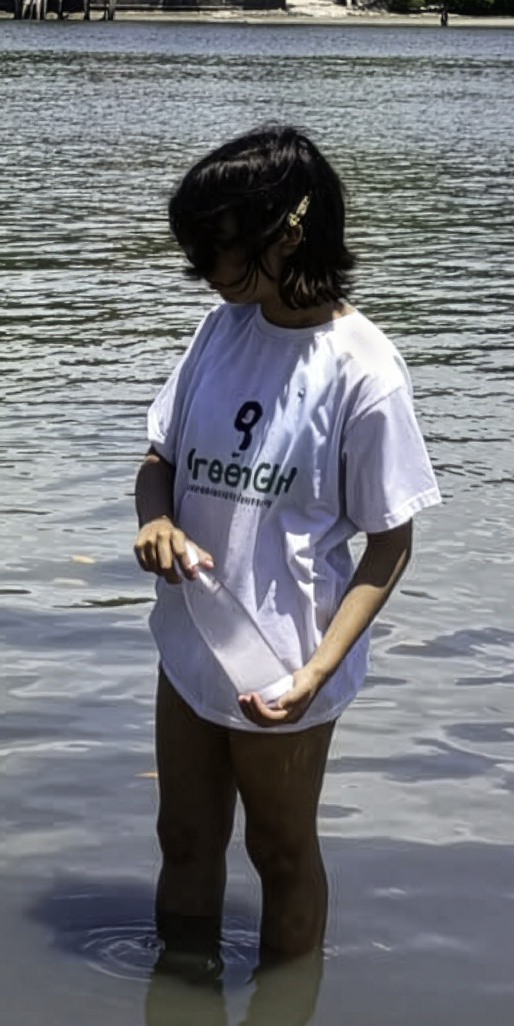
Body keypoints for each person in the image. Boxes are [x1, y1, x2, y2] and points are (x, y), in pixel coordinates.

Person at [132, 125, 439, 968]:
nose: (203, 269)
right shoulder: (220, 331)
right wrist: (155, 522)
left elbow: (390, 543)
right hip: (190, 640)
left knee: (280, 850)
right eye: (195, 251)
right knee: (184, 836)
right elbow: (159, 460)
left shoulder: (363, 371)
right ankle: (180, 1007)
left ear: (289, 232)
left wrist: (318, 672)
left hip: (287, 658)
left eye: (217, 247)